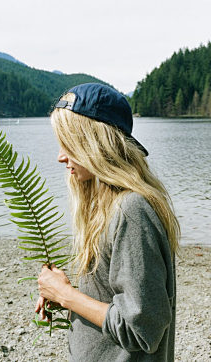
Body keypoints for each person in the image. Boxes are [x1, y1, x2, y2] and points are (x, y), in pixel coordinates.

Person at [35, 83, 180, 362]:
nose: (60, 156)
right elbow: (117, 305)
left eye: (69, 144)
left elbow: (142, 330)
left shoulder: (131, 211)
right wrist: (66, 295)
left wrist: (66, 295)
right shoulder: (109, 207)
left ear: (94, 144)